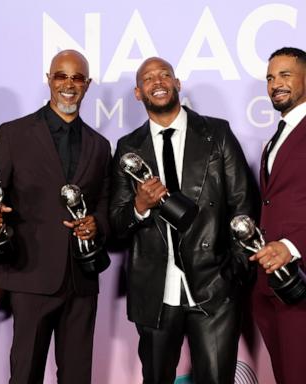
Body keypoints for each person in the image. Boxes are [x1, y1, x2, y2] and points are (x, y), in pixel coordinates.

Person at [110, 57, 257, 384]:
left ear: (177, 84)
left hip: (214, 286)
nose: (158, 81)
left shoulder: (216, 133)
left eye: (165, 75)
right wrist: (140, 205)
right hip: (155, 291)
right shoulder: (127, 148)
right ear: (138, 92)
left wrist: (234, 272)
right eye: (148, 78)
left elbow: (243, 203)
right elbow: (116, 224)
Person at [0, 50, 111, 384]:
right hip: (29, 275)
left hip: (81, 281)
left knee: (78, 376)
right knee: (25, 374)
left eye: (77, 77)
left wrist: (97, 222)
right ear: (49, 79)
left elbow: (106, 203)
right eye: (61, 76)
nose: (69, 84)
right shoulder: (13, 133)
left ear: (87, 84)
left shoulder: (100, 144)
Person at [249, 47, 306, 384]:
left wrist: (293, 245)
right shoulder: (275, 139)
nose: (275, 84)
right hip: (271, 284)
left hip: (301, 279)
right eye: (270, 77)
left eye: (285, 74)